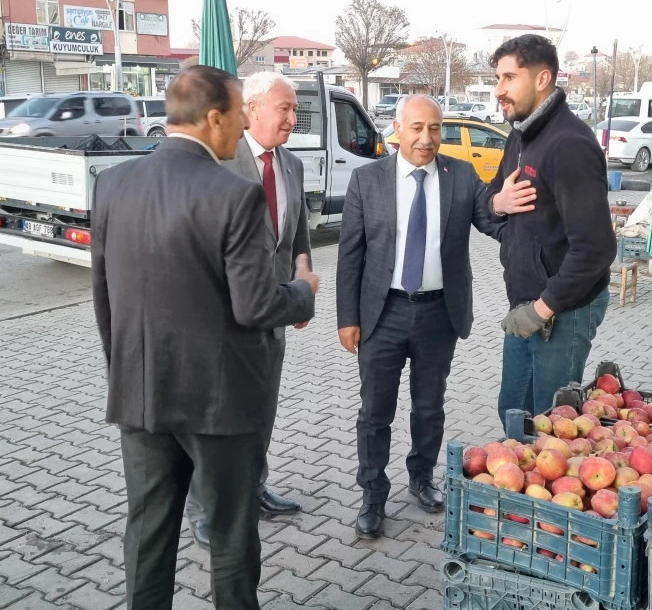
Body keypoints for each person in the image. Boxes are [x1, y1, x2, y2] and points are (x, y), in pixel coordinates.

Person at [93, 65, 319, 609]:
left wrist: (125, 373)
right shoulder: (235, 194)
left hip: (141, 393)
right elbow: (256, 304)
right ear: (214, 118)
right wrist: (303, 291)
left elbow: (104, 298)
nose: (242, 125)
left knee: (148, 533)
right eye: (239, 114)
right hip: (221, 403)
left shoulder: (113, 183)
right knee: (231, 533)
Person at [336, 94, 504, 538]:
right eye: (416, 128)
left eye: (434, 128)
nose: (426, 138)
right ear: (397, 129)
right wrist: (346, 317)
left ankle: (422, 477)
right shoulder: (367, 179)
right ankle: (373, 495)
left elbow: (491, 221)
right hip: (382, 312)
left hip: (438, 314)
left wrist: (509, 206)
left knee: (429, 407)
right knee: (375, 412)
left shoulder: (461, 175)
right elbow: (350, 254)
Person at [186, 72, 310, 547]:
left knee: (261, 409)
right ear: (252, 108)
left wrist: (301, 292)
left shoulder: (291, 164)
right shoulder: (219, 160)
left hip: (274, 314)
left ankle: (254, 489)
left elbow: (296, 237)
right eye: (285, 108)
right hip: (224, 318)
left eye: (295, 109)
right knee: (216, 417)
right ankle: (205, 508)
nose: (293, 118)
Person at [486, 34, 617, 421]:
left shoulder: (569, 145)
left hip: (563, 310)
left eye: (509, 78)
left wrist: (542, 310)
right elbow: (494, 195)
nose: (499, 90)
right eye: (498, 79)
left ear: (542, 79)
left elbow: (596, 249)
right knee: (513, 412)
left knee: (550, 424)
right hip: (525, 302)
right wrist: (498, 204)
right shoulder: (521, 135)